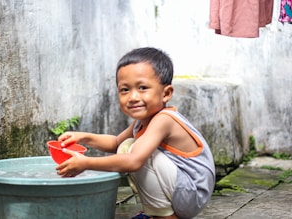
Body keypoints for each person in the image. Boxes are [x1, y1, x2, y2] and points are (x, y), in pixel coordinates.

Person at [57, 47, 216, 219]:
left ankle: (165, 216)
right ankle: (156, 214)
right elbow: (115, 143)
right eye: (125, 89)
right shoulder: (142, 121)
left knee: (136, 152)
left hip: (192, 195)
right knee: (126, 145)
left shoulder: (164, 119)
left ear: (166, 93)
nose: (133, 97)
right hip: (183, 191)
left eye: (142, 87)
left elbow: (133, 162)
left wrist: (87, 163)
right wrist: (84, 137)